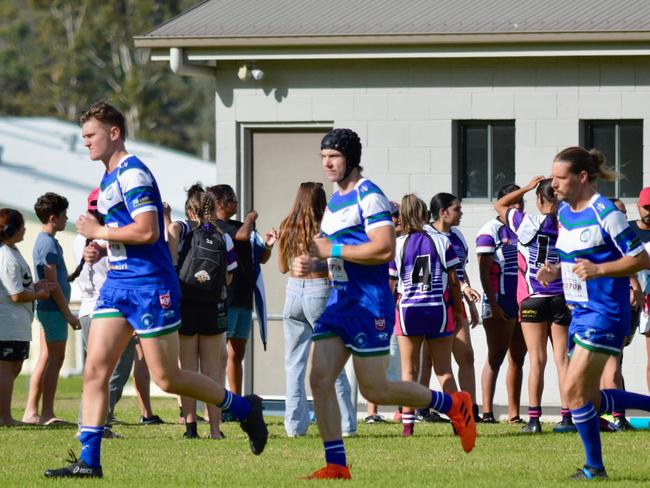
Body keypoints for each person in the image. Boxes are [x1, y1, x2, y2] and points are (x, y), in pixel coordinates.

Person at [45, 100, 267, 478]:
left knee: (168, 377)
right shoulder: (109, 178)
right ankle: (89, 461)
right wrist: (104, 245)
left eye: (90, 136)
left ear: (114, 133)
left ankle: (246, 410)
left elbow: (149, 231)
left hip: (150, 286)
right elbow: (129, 233)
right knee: (95, 370)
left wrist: (99, 231)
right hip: (118, 284)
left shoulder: (133, 174)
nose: (85, 143)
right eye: (83, 137)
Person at [301, 128, 476, 480]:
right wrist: (313, 264)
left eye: (333, 156)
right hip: (340, 301)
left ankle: (454, 404)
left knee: (375, 389)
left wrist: (331, 250)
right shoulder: (334, 203)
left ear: (350, 159)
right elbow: (336, 255)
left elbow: (382, 249)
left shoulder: (370, 196)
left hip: (369, 303)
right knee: (319, 379)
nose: (327, 163)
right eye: (323, 157)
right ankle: (337, 465)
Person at [537, 146, 650, 479]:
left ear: (582, 177)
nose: (553, 184)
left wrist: (601, 271)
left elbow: (641, 259)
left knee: (574, 392)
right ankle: (595, 467)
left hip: (604, 313)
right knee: (585, 396)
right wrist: (555, 271)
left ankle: (593, 468)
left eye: (560, 178)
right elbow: (574, 258)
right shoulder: (565, 213)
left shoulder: (606, 212)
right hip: (579, 313)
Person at [72, 189, 162, 438]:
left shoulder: (80, 237)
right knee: (115, 373)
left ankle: (88, 424)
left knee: (96, 373)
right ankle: (98, 425)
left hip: (87, 309)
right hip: (108, 311)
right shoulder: (108, 236)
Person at [277, 182, 356, 438]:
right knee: (333, 361)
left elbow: (281, 267)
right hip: (319, 289)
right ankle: (346, 424)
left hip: (292, 292)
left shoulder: (287, 226)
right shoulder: (327, 228)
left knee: (294, 364)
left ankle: (294, 426)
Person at [495, 177, 572, 434]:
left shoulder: (525, 220)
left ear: (539, 199)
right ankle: (566, 417)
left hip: (533, 298)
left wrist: (525, 188)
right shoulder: (565, 223)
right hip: (561, 297)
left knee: (537, 360)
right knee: (563, 360)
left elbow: (500, 205)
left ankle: (535, 420)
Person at [393, 194, 464, 437]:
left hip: (409, 311)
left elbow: (392, 285)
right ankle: (459, 421)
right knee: (444, 370)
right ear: (425, 215)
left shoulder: (398, 244)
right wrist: (460, 312)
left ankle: (408, 426)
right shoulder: (443, 241)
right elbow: (454, 282)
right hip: (437, 309)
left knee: (408, 371)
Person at [175, 190, 237, 440]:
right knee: (213, 373)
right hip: (213, 307)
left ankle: (190, 428)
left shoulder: (184, 233)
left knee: (187, 370)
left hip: (186, 306)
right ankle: (214, 430)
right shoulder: (224, 238)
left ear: (191, 211)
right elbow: (230, 275)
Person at [207, 184, 276, 398]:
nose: (236, 203)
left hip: (245, 298)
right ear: (219, 203)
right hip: (226, 298)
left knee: (237, 353)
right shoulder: (217, 226)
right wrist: (250, 218)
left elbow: (260, 258)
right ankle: (218, 399)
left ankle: (235, 400)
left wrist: (268, 246)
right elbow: (242, 236)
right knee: (219, 354)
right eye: (232, 199)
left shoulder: (238, 225)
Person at [23, 192, 81, 426]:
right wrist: (68, 314)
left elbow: (57, 278)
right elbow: (52, 282)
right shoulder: (47, 243)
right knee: (56, 359)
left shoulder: (49, 241)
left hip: (51, 309)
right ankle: (46, 413)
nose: (67, 218)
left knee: (46, 358)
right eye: (64, 214)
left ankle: (32, 412)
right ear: (52, 217)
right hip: (53, 310)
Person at [475, 184, 527, 423]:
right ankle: (487, 412)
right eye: (513, 202)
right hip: (499, 300)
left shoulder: (525, 227)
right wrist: (493, 304)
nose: (518, 207)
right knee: (496, 355)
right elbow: (484, 271)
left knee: (518, 357)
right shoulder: (490, 230)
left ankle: (514, 413)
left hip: (523, 302)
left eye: (521, 202)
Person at [429, 193, 482, 422]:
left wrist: (469, 302)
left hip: (457, 302)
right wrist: (461, 288)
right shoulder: (426, 235)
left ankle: (470, 408)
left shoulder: (458, 236)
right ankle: (423, 411)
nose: (461, 213)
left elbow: (460, 271)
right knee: (432, 362)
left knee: (466, 355)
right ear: (444, 212)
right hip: (435, 303)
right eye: (457, 209)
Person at [0, 209, 55, 426]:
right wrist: (39, 294)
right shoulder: (5, 256)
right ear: (11, 229)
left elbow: (18, 286)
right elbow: (15, 295)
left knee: (14, 367)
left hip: (18, 323)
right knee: (6, 367)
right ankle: (4, 418)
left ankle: (4, 414)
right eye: (21, 225)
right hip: (7, 323)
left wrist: (34, 286)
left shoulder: (12, 251)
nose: (25, 228)